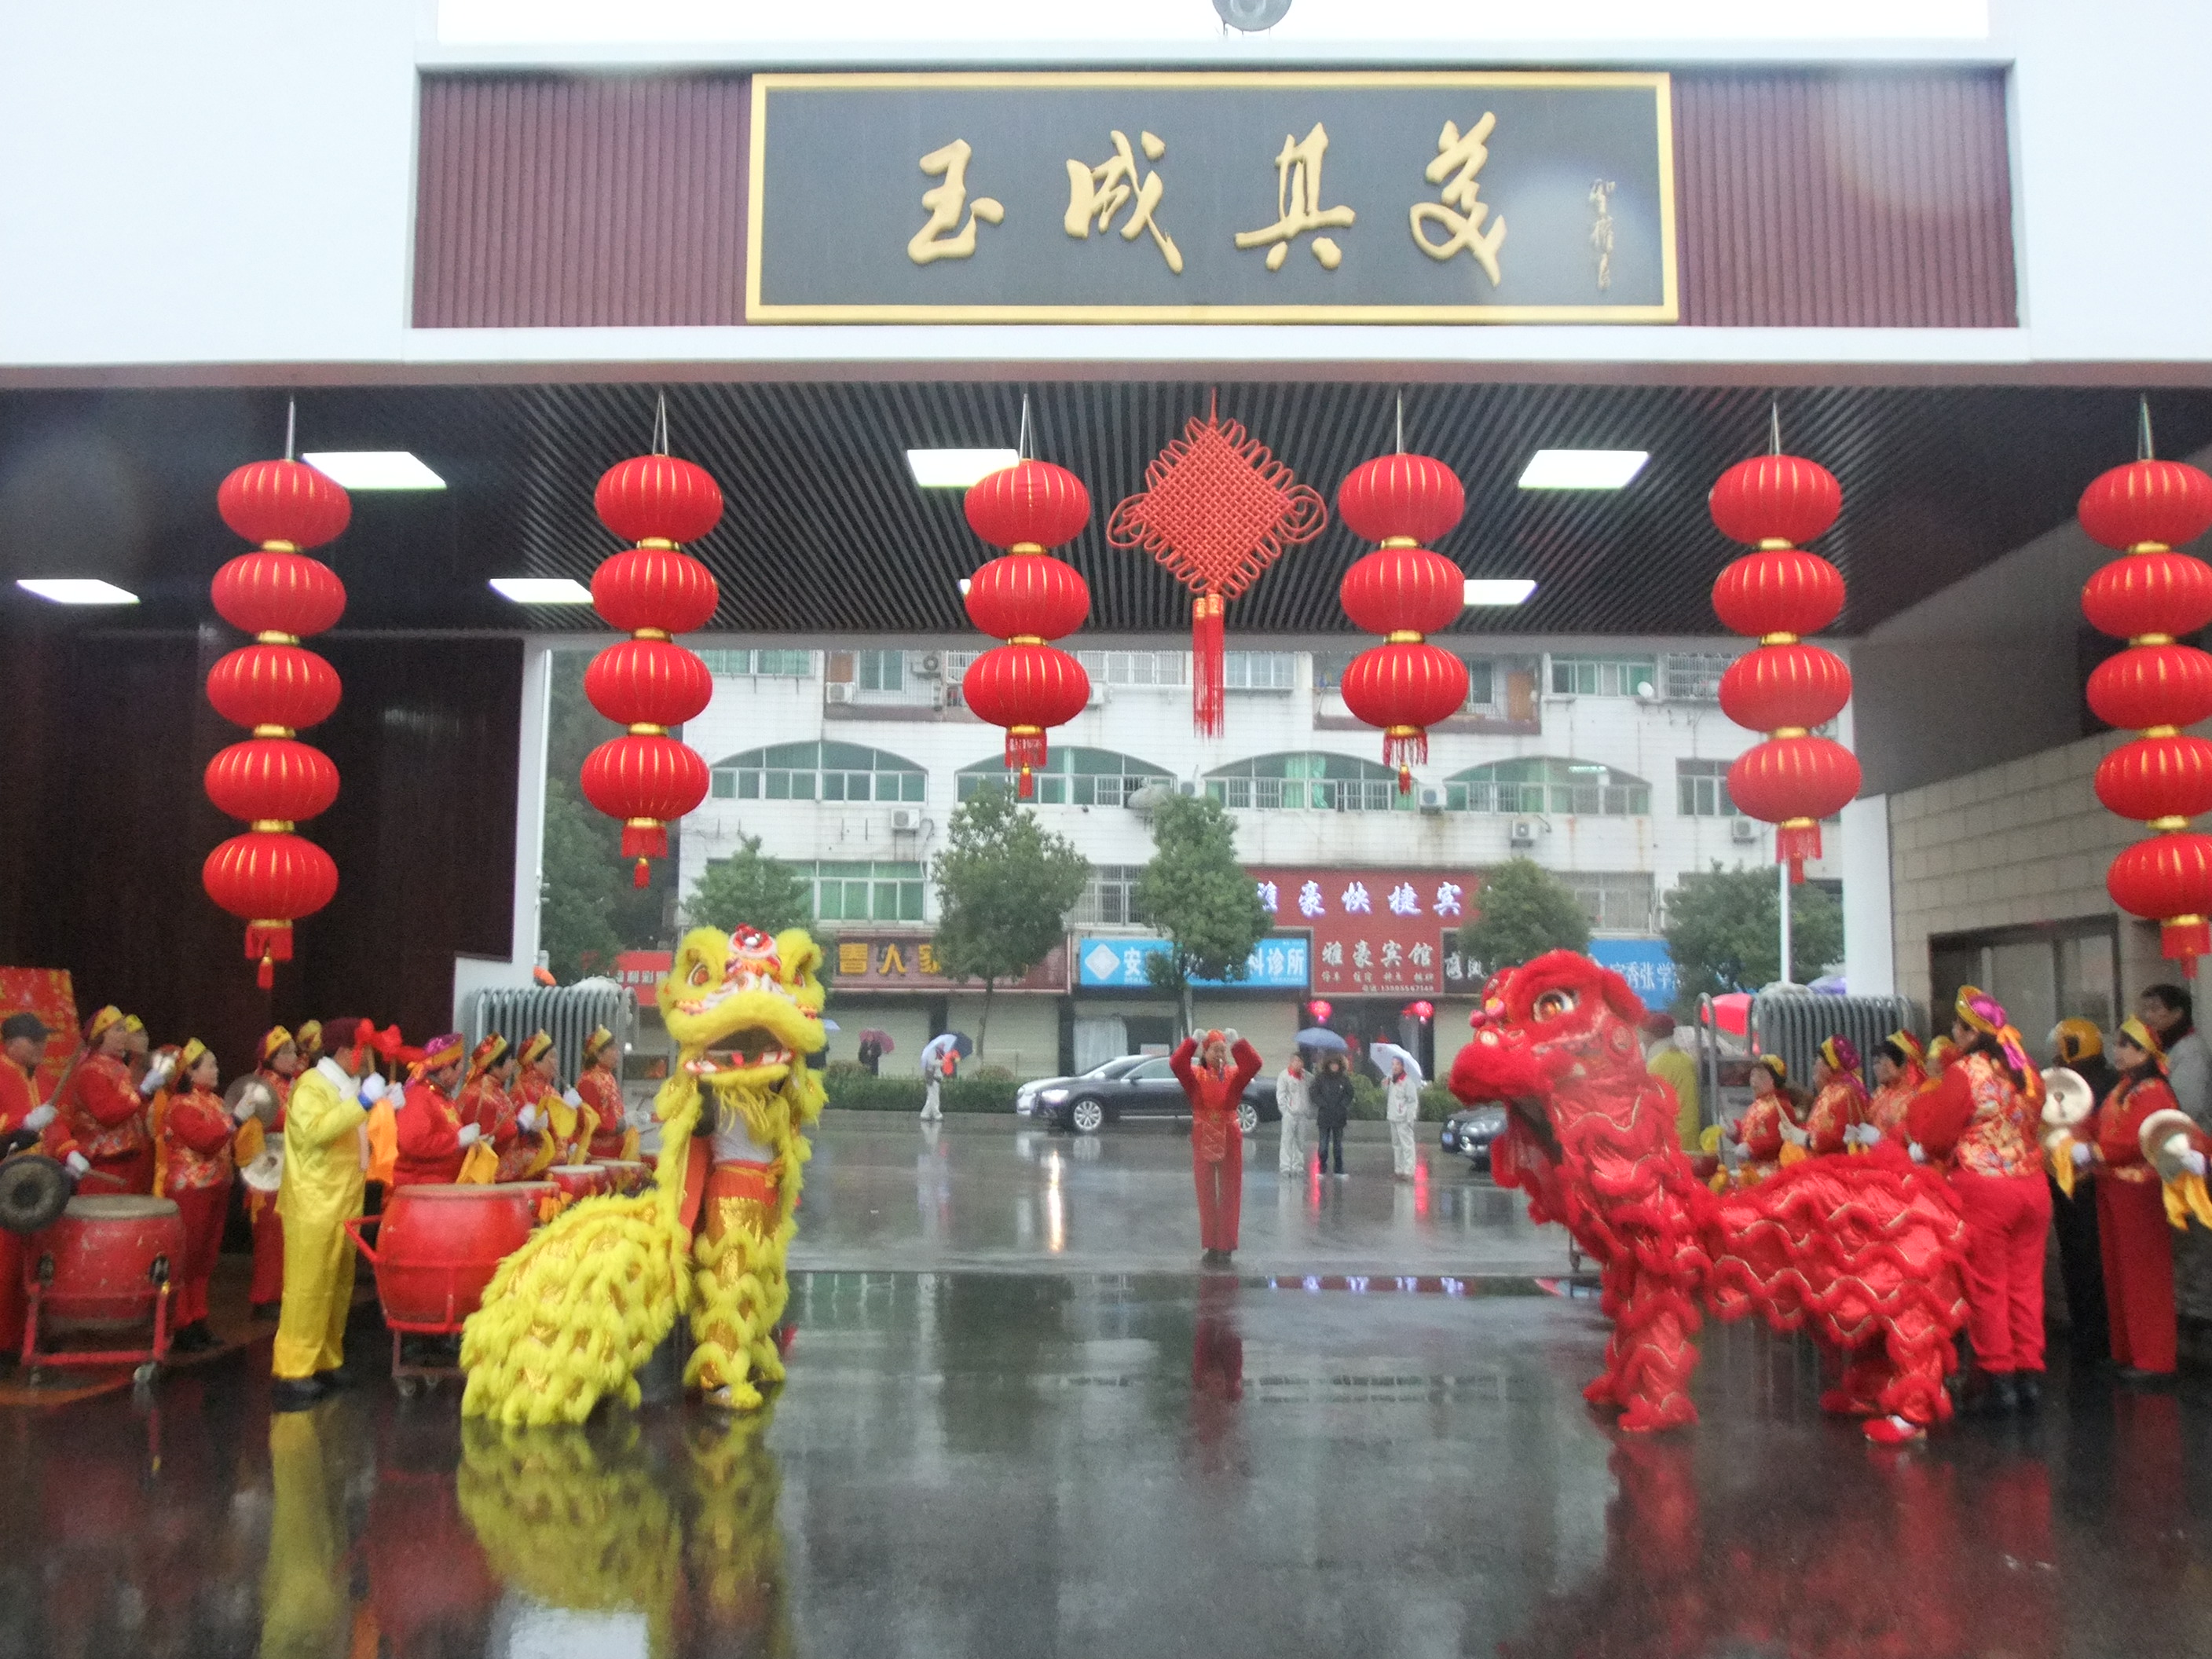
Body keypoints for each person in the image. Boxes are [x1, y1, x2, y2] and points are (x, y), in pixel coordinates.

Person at [1908, 987, 2051, 1415]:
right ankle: (2029, 1375)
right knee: (2026, 1285)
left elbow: (1938, 1137)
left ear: (1971, 1032)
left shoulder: (1966, 1071)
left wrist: (1922, 1143)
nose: (1953, 1035)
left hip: (1986, 1188)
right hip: (2032, 1185)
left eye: (1957, 1027)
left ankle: (1998, 1377)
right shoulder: (2025, 1067)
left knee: (1988, 1285)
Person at [272, 1021, 392, 1407]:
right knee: (307, 1288)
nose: (368, 1059)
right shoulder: (311, 1085)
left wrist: (384, 1107)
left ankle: (325, 1359)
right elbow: (315, 1132)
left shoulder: (346, 1086)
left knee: (338, 1287)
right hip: (314, 1202)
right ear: (344, 1051)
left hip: (343, 1200)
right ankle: (293, 1370)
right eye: (364, 1051)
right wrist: (363, 1103)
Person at [2069, 1018, 2184, 1383]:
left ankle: (2155, 1360)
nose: (2116, 1052)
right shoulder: (2123, 1087)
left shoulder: (2154, 1091)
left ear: (2143, 1052)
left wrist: (2095, 1151)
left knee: (2144, 1275)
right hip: (2112, 1186)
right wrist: (2074, 1132)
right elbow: (2099, 1125)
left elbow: (2138, 1141)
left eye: (2124, 1045)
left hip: (2140, 1191)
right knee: (2118, 1272)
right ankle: (2128, 1352)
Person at [158, 1039, 245, 1353]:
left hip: (216, 1186)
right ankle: (181, 1322)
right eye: (210, 1064)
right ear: (191, 1073)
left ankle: (198, 1317)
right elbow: (204, 1141)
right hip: (190, 1189)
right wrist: (235, 1120)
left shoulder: (216, 1102)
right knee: (187, 1257)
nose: (217, 1069)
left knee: (205, 1259)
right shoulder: (181, 1105)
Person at [2047, 1018, 2114, 1363]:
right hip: (2071, 1179)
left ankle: (2092, 1331)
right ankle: (2088, 1328)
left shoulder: (2093, 1084)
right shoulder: (2105, 1079)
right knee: (2080, 1257)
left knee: (2086, 1258)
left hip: (2087, 1181)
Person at [1170, 1028, 1260, 1265]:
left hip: (1230, 1135)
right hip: (1203, 1134)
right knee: (1206, 1193)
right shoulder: (1195, 1075)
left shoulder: (1233, 1074)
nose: (1220, 1054)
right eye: (1215, 1049)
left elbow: (1254, 1064)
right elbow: (1176, 1064)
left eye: (1223, 1049)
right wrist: (1191, 1042)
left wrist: (1238, 1044)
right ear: (1205, 1052)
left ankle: (1226, 1245)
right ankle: (1211, 1243)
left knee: (1231, 1192)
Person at [60, 1005, 152, 1194]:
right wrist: (142, 1093)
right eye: (118, 1029)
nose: (125, 1034)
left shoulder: (119, 1067)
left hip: (127, 1160)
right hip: (104, 1164)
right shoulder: (92, 1070)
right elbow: (107, 1114)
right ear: (101, 1035)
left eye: (125, 1029)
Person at [240, 1026, 300, 1320]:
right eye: (286, 1052)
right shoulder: (260, 1086)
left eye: (294, 1051)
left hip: (291, 1167)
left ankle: (284, 1292)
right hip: (270, 1167)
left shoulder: (293, 1083)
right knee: (270, 1235)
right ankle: (264, 1297)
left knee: (287, 1233)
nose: (294, 1057)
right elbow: (273, 1119)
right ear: (271, 1057)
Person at [391, 1033, 482, 1188]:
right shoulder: (419, 1097)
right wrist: (457, 1141)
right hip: (420, 1190)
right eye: (458, 1070)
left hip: (440, 1188)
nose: (460, 1076)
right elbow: (413, 1143)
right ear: (446, 1070)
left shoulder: (442, 1096)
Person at [2137, 985, 2210, 1129]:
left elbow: (2187, 1106)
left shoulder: (2191, 1051)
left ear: (2177, 1013)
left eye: (2155, 1009)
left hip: (2188, 1134)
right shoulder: (2162, 1046)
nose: (2148, 1016)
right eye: (2146, 1009)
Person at [1730, 1055, 1805, 1184]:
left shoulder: (1781, 1107)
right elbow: (1750, 1135)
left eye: (1760, 1077)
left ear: (1774, 1081)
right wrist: (1734, 1134)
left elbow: (1778, 1139)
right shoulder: (1756, 1105)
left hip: (1770, 1173)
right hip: (1750, 1170)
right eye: (1752, 1076)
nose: (1754, 1081)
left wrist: (1751, 1147)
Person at [1641, 1011, 1700, 1151]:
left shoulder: (1657, 1064)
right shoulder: (1686, 1058)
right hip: (1690, 1136)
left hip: (1670, 1140)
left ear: (1650, 1035)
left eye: (1644, 1034)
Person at [1805, 1035, 1870, 1156]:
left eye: (1818, 1061)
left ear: (1830, 1065)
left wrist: (1808, 1140)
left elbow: (1841, 1136)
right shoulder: (1829, 1090)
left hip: (1835, 1161)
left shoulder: (1846, 1092)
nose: (1814, 1067)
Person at [577, 1027, 635, 1162]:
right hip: (598, 1153)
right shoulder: (588, 1081)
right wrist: (620, 1124)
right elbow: (590, 1122)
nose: (617, 1053)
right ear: (598, 1054)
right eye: (613, 1049)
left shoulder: (609, 1077)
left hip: (615, 1150)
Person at [1865, 1031, 1928, 1148]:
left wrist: (1879, 1139)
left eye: (1882, 1061)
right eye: (1876, 1062)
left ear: (1904, 1063)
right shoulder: (1880, 1093)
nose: (1876, 1068)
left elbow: (1913, 1138)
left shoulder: (1918, 1095)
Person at [1310, 1051, 1353, 1178]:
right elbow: (1314, 1093)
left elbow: (1349, 1094)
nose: (1334, 1067)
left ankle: (1338, 1169)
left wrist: (1342, 1105)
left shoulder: (1344, 1079)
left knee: (1338, 1145)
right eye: (1332, 1064)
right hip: (1324, 1116)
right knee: (1323, 1144)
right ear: (1328, 1065)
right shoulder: (1320, 1078)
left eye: (1336, 1064)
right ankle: (1322, 1168)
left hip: (1339, 1116)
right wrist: (1322, 1104)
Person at [1385, 1057, 1420, 1180]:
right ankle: (1399, 1170)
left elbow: (1412, 1101)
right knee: (1396, 1145)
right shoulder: (1391, 1080)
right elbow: (1390, 1097)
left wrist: (1410, 1117)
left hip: (1404, 1118)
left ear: (1402, 1066)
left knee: (1407, 1145)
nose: (1395, 1067)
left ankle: (1409, 1171)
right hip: (1393, 1116)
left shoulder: (1407, 1082)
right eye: (1393, 1064)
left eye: (1398, 1064)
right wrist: (1386, 1085)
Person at [1276, 1053, 1309, 1177]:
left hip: (1302, 1114)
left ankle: (1298, 1166)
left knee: (1300, 1142)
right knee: (1287, 1141)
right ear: (1291, 1062)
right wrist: (1285, 1111)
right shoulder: (1284, 1076)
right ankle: (1285, 1167)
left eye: (1300, 1061)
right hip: (1290, 1113)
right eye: (1296, 1061)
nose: (1298, 1064)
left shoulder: (1306, 1076)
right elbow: (1281, 1095)